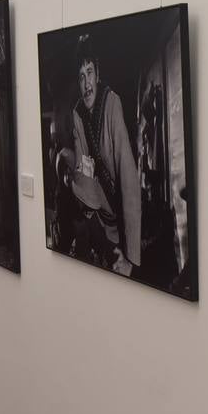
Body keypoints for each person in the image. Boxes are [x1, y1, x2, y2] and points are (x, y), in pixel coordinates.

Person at [59, 33, 142, 277]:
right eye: (81, 76)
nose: (86, 84)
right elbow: (85, 175)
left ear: (98, 75)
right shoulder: (78, 115)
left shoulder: (112, 104)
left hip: (128, 223)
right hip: (103, 224)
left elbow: (128, 180)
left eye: (90, 73)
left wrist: (130, 259)